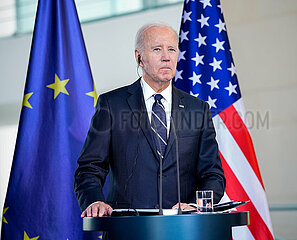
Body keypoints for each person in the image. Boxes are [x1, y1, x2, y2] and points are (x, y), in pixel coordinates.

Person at [74, 22, 225, 218]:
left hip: (183, 228)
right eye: (157, 49)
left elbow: (213, 174)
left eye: (171, 49)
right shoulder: (111, 104)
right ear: (139, 58)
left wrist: (197, 205)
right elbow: (89, 168)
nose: (166, 57)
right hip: (128, 228)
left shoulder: (198, 109)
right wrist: (94, 200)